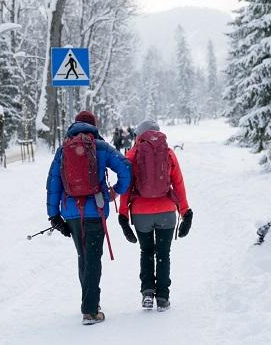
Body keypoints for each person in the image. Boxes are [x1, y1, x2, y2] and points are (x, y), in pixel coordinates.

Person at [46, 111, 132, 325]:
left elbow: (53, 183)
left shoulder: (63, 150)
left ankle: (89, 302)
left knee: (83, 257)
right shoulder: (101, 147)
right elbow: (126, 169)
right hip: (96, 209)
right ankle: (91, 310)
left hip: (71, 212)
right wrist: (116, 191)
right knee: (93, 258)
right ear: (94, 126)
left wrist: (53, 215)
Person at [118, 119, 193, 312]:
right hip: (166, 212)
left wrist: (123, 215)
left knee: (146, 252)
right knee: (163, 255)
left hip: (141, 213)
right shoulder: (168, 152)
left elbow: (126, 188)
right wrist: (186, 212)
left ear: (138, 135)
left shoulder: (132, 154)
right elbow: (178, 183)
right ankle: (162, 297)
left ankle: (147, 294)